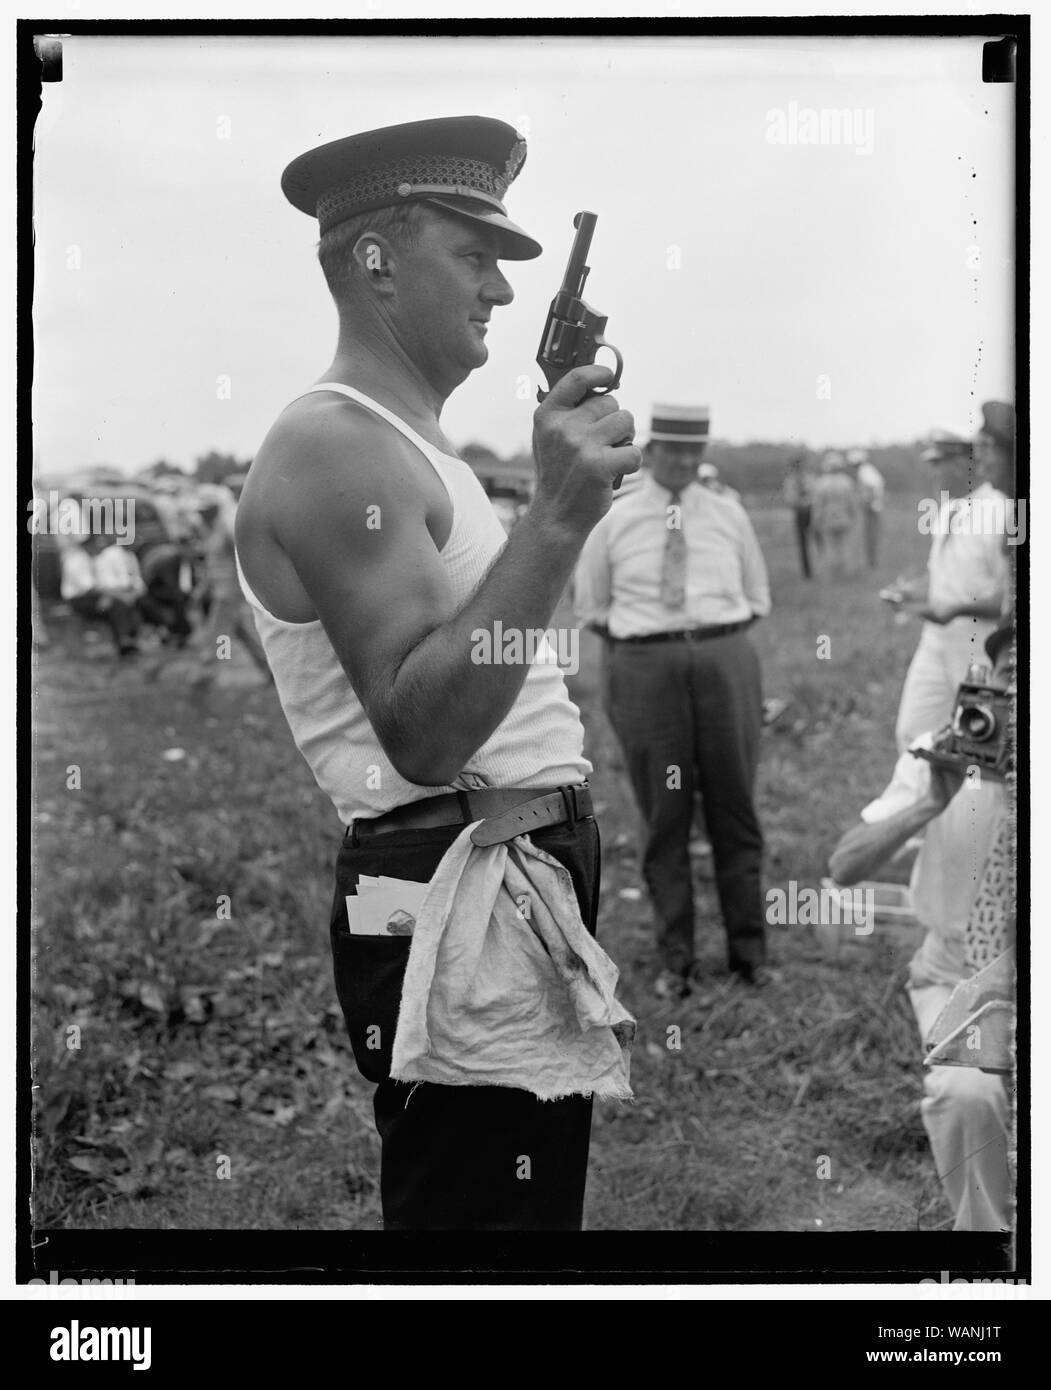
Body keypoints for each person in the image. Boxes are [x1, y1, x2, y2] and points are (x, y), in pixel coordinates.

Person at [234, 116, 642, 1230]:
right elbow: (421, 730)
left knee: (520, 1218)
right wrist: (556, 517)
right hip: (455, 876)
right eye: (471, 257)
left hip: (504, 868)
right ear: (374, 261)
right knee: (477, 1236)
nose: (501, 295)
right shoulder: (333, 443)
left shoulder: (408, 441)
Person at [574, 404, 772, 999]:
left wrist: (705, 646)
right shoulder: (613, 518)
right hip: (644, 668)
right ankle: (677, 962)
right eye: (674, 451)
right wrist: (656, 648)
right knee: (666, 813)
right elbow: (593, 608)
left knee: (735, 810)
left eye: (696, 452)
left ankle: (750, 956)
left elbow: (756, 594)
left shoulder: (729, 514)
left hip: (725, 660)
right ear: (651, 450)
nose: (685, 463)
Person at [828, 619, 1015, 1231]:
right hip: (961, 973)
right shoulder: (952, 747)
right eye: (1014, 674)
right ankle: (990, 1245)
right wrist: (929, 803)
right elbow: (845, 866)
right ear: (991, 684)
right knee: (967, 1093)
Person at [891, 402, 1013, 753]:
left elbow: (1012, 598)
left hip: (979, 646)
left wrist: (956, 608)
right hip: (935, 642)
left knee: (976, 744)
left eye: (938, 464)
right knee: (913, 734)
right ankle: (929, 807)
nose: (933, 474)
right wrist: (912, 591)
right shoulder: (946, 510)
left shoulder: (1002, 511)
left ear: (964, 462)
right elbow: (944, 574)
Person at [190, 485, 271, 687]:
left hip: (229, 592)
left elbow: (243, 559)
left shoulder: (228, 527)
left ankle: (208, 672)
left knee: (218, 634)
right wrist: (202, 588)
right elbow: (211, 563)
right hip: (220, 590)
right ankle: (270, 671)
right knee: (244, 634)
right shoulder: (210, 529)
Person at [59, 532, 146, 658]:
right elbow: (90, 588)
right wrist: (116, 596)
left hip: (95, 596)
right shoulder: (75, 561)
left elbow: (101, 586)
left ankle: (126, 640)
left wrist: (110, 596)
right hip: (78, 599)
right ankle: (124, 641)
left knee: (119, 605)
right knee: (117, 605)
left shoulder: (92, 558)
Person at [809, 451, 859, 578]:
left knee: (830, 547)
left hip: (827, 519)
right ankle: (846, 573)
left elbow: (818, 505)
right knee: (844, 546)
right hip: (844, 518)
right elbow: (852, 503)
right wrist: (853, 516)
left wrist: (816, 520)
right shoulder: (847, 482)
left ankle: (832, 574)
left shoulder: (821, 483)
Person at [847, 447, 885, 569]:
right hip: (874, 506)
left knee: (871, 535)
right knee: (870, 535)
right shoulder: (868, 470)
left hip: (872, 508)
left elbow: (872, 487)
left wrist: (868, 502)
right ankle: (871, 561)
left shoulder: (864, 471)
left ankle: (872, 561)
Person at [782, 453, 813, 580]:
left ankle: (821, 568)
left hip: (811, 511)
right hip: (801, 512)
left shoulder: (809, 478)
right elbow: (790, 499)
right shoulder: (791, 481)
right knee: (803, 544)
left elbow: (815, 494)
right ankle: (807, 572)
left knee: (817, 541)